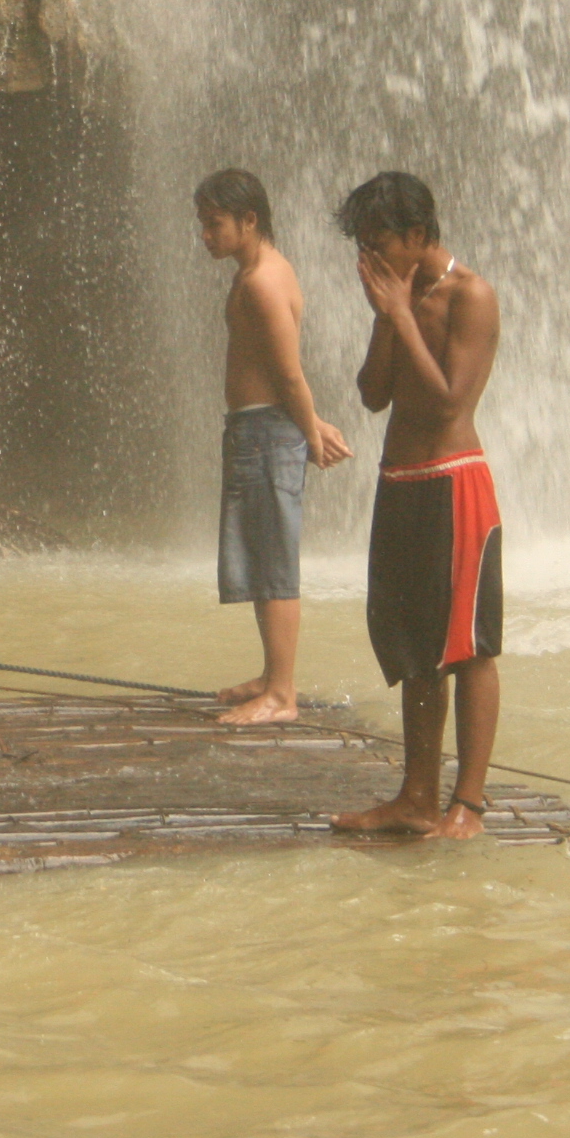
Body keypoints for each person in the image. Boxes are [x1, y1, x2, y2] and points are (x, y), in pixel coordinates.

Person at [330, 171, 503, 840]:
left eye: (379, 245)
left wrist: (401, 315)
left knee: (470, 648)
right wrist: (385, 318)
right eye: (363, 249)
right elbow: (375, 394)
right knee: (414, 652)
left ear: (418, 235)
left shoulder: (472, 295)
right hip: (399, 480)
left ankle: (472, 804)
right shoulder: (395, 298)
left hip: (453, 482)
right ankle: (416, 796)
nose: (368, 261)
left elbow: (450, 402)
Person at [196, 169, 352, 726]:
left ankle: (282, 694)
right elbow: (276, 371)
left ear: (249, 220)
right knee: (263, 555)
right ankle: (270, 675)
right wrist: (312, 421)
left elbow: (289, 374)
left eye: (215, 224)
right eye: (203, 224)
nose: (206, 236)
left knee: (275, 560)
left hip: (266, 432)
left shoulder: (263, 281)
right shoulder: (257, 272)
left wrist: (309, 433)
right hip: (259, 426)